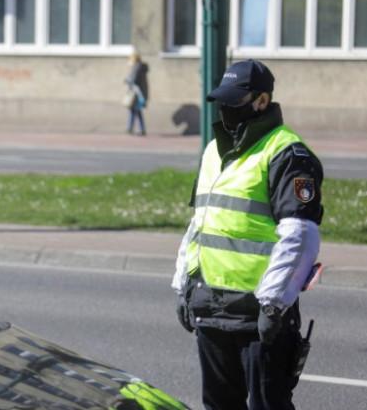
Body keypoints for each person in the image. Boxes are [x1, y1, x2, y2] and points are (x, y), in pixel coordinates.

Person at [171, 59, 324, 410]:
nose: (226, 109)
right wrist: (183, 284)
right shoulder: (214, 150)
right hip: (211, 307)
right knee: (219, 405)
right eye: (222, 101)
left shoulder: (287, 152)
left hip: (258, 313)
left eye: (234, 101)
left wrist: (273, 304)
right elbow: (201, 223)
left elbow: (299, 236)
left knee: (268, 406)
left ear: (262, 100)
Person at [124, 52, 149, 135]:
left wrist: (127, 80)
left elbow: (133, 80)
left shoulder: (136, 68)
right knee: (135, 111)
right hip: (140, 93)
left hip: (137, 94)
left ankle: (137, 129)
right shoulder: (141, 68)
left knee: (135, 110)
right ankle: (133, 128)